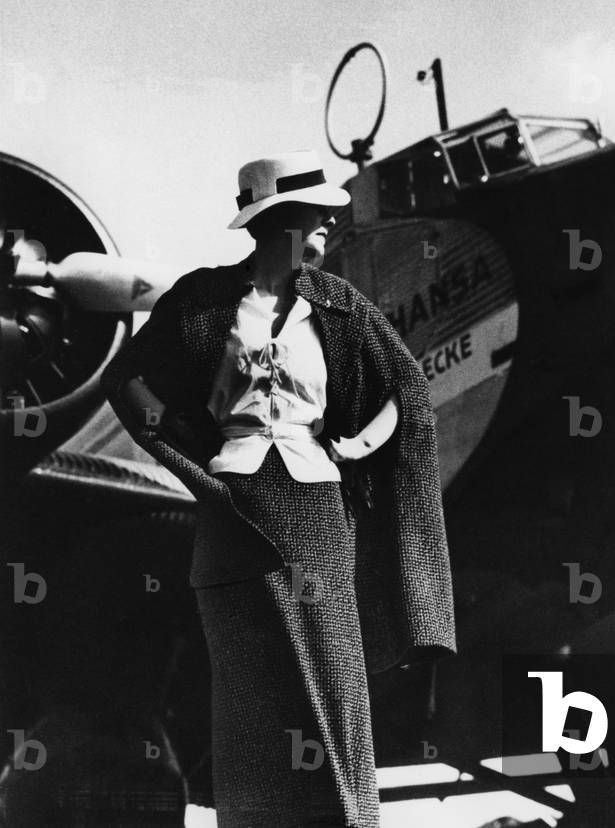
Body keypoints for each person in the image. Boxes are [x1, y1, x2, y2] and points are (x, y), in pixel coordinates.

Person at [101, 150, 456, 827]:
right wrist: (188, 458)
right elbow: (124, 379)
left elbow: (409, 393)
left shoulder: (343, 307)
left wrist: (356, 446)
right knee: (249, 719)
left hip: (319, 521)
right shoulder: (199, 300)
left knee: (334, 706)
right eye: (315, 217)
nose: (328, 227)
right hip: (230, 527)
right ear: (276, 224)